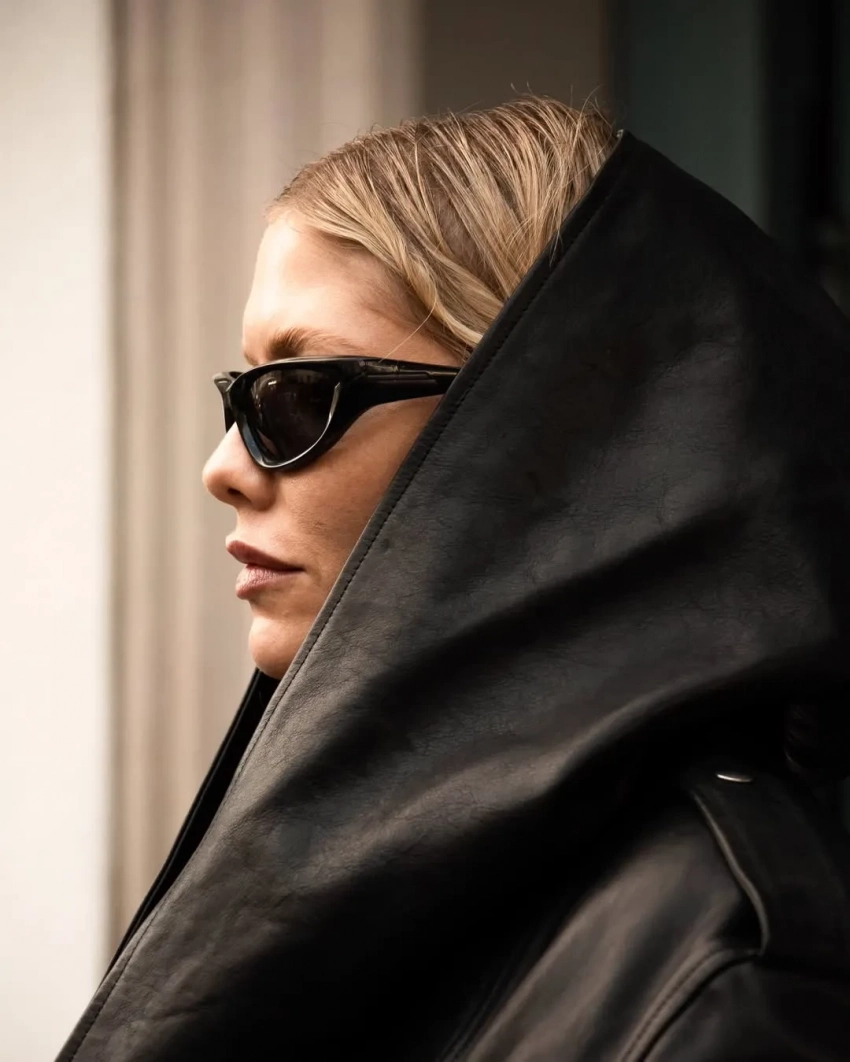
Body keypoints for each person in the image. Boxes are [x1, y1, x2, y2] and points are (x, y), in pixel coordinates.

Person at [58, 97, 850, 1060]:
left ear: (542, 429)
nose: (223, 468)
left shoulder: (726, 984)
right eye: (244, 396)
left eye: (297, 396)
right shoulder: (404, 874)